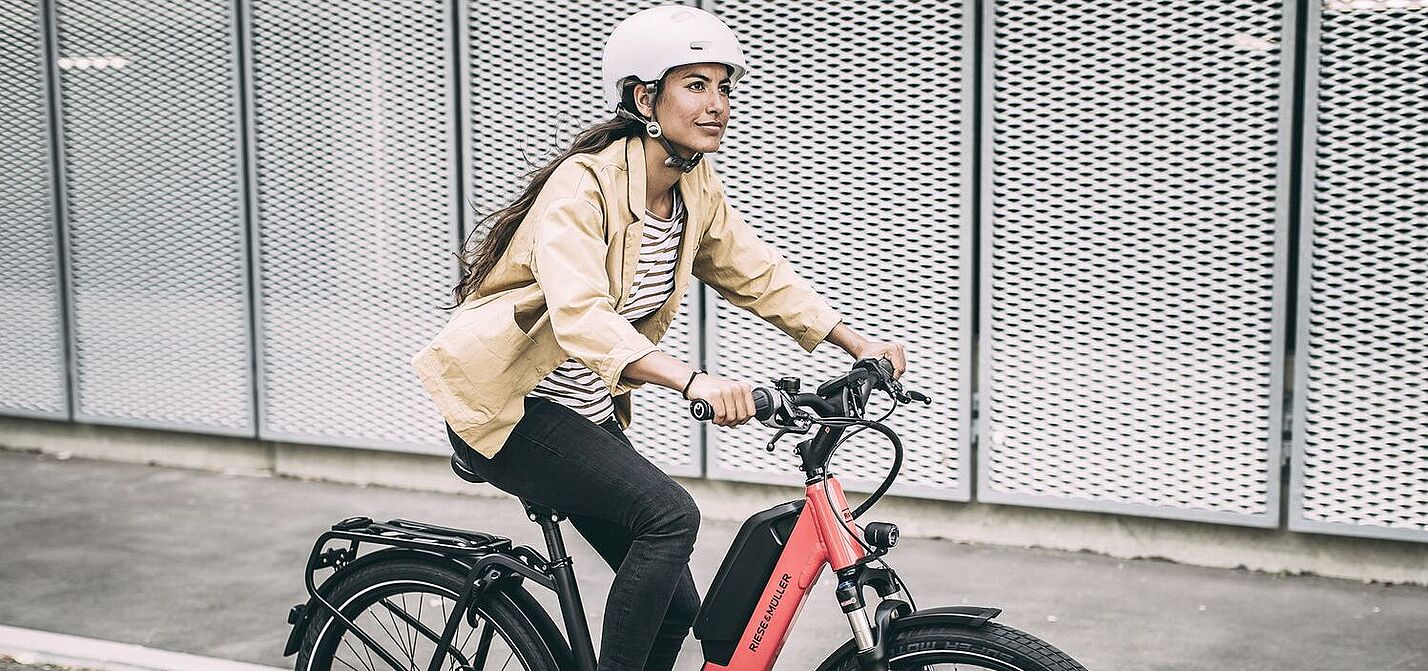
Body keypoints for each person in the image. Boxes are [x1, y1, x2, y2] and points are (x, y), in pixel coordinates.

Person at [411, 6, 907, 670]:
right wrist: (693, 381)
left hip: (582, 410)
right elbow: (580, 317)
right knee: (670, 516)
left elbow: (753, 270)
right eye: (695, 84)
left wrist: (856, 343)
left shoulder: (692, 186)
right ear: (645, 97)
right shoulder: (582, 188)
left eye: (725, 86)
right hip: (508, 410)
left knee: (676, 609)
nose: (717, 103)